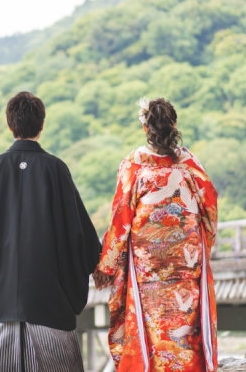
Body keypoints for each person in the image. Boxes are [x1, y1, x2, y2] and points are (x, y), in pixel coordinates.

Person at [0, 91, 102, 372]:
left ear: (9, 124)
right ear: (41, 125)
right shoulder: (55, 168)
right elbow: (79, 234)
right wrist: (96, 263)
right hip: (50, 303)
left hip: (4, 306)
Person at [93, 98, 218, 372]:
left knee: (153, 315)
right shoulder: (188, 163)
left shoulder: (134, 164)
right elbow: (209, 204)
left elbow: (121, 218)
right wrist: (202, 242)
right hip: (187, 257)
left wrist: (106, 266)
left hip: (148, 262)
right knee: (185, 314)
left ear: (145, 127)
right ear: (174, 125)